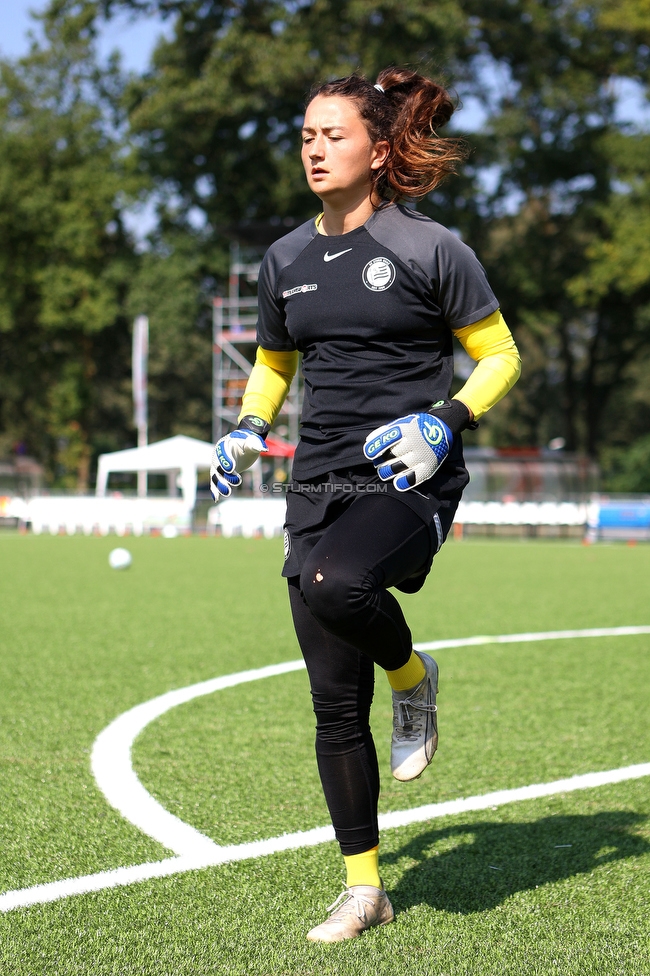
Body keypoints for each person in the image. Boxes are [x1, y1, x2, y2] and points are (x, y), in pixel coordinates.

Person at [210, 67, 521, 942]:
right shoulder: (284, 259)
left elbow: (500, 356)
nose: (314, 147)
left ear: (379, 151)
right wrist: (246, 426)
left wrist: (447, 418)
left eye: (333, 134)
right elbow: (275, 365)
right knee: (331, 704)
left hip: (407, 477)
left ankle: (414, 677)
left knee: (336, 582)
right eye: (306, 133)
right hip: (315, 481)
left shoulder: (430, 248)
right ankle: (364, 888)